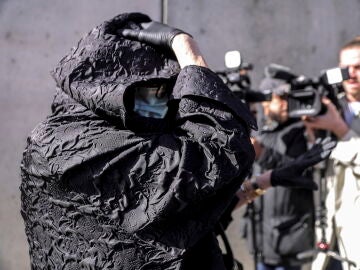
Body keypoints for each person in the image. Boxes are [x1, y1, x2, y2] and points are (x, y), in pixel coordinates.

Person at [20, 12, 335, 270]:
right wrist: (189, 52)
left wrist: (265, 181)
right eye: (155, 89)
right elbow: (223, 153)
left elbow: (174, 221)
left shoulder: (68, 137)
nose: (165, 100)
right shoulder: (81, 145)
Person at [240, 74, 319, 270]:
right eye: (280, 98)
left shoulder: (300, 130)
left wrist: (262, 153)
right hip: (261, 235)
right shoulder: (259, 132)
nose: (286, 104)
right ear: (265, 102)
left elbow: (297, 169)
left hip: (288, 235)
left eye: (289, 98)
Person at [304, 37, 360, 270]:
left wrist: (341, 130)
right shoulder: (330, 107)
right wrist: (312, 136)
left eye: (358, 67)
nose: (351, 74)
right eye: (345, 68)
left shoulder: (336, 119)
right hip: (329, 227)